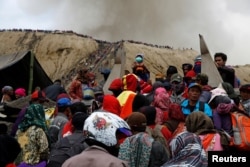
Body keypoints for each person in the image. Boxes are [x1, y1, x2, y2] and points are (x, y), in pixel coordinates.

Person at [62, 111, 132, 167]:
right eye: (117, 137)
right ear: (108, 135)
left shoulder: (69, 163)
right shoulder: (117, 164)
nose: (119, 144)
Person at [15, 90, 49, 166]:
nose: (42, 105)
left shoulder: (20, 129)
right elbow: (44, 150)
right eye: (41, 102)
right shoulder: (38, 130)